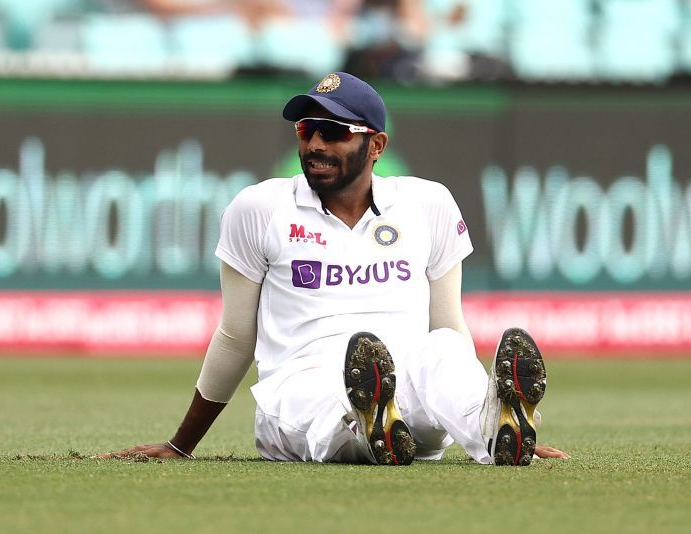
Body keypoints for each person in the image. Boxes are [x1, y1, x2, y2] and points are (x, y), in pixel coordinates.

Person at [97, 72, 569, 465]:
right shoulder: (259, 207)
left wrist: (473, 412)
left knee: (441, 346)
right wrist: (182, 444)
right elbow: (235, 337)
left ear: (376, 145)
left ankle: (495, 430)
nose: (316, 144)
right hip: (300, 390)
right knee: (327, 403)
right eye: (307, 130)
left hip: (406, 394)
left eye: (336, 132)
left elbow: (448, 326)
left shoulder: (429, 203)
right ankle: (371, 427)